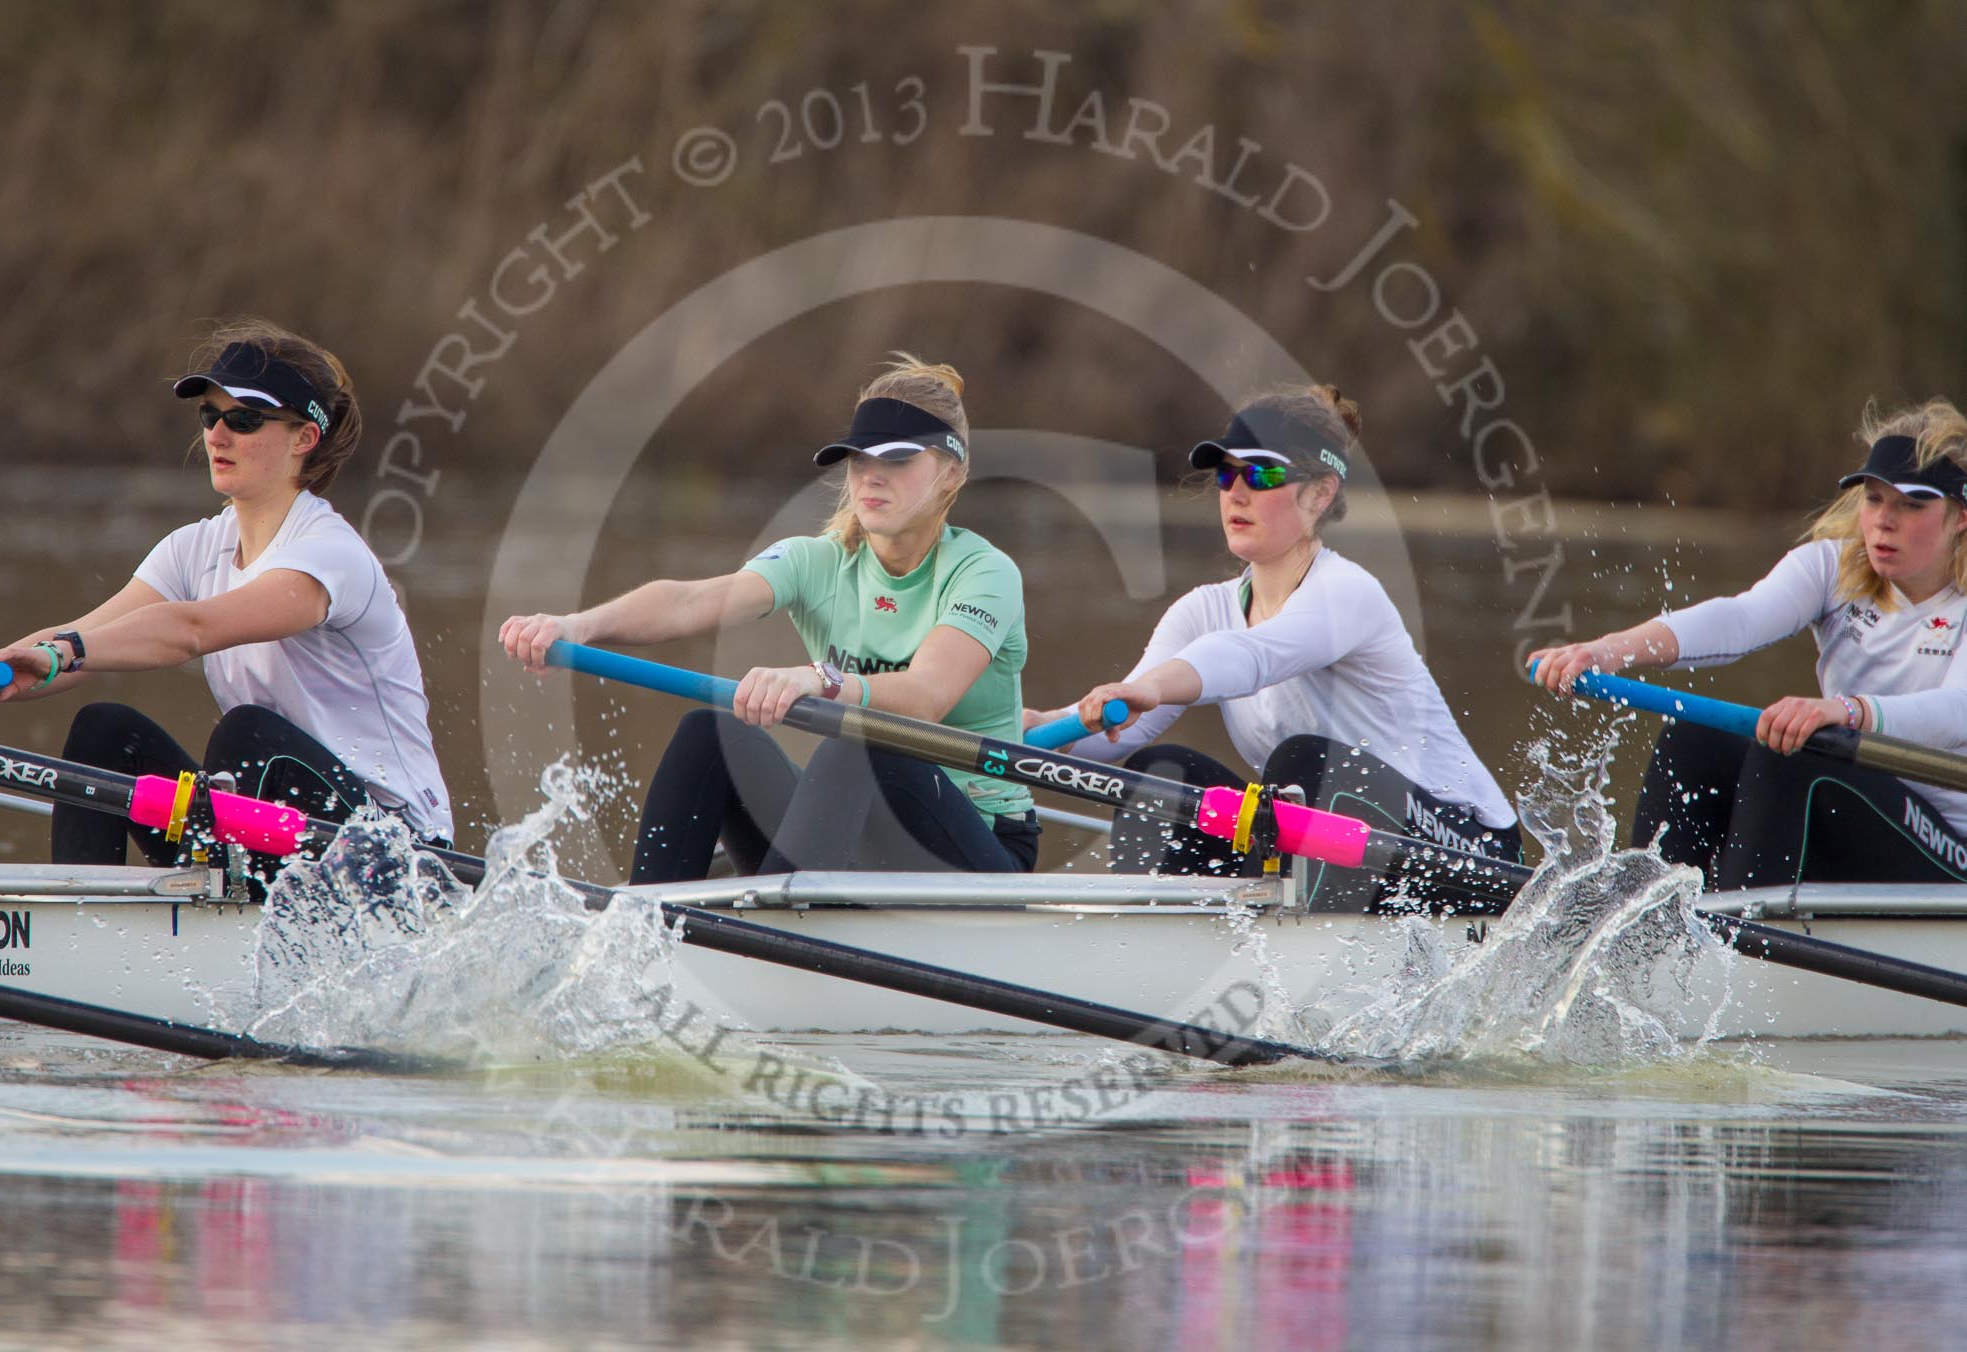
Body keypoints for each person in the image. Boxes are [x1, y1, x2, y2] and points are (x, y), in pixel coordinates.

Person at [499, 354, 1038, 882]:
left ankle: (775, 938)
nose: (872, 478)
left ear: (952, 471)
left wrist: (819, 679)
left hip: (980, 845)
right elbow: (691, 601)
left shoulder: (984, 572)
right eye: (859, 460)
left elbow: (927, 695)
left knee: (861, 747)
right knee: (711, 730)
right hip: (851, 833)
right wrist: (576, 627)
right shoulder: (817, 561)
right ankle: (647, 930)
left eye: (895, 460)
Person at [0, 320, 454, 882]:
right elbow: (74, 637)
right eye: (210, 416)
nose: (218, 435)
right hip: (278, 830)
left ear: (304, 438)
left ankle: (227, 911)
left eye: (244, 419)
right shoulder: (196, 548)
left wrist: (65, 651)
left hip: (397, 851)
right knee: (105, 731)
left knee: (248, 732)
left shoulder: (330, 554)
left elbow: (189, 630)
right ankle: (81, 923)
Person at [1049, 385, 1519, 910]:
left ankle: (1303, 947)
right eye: (1227, 473)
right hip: (1344, 848)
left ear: (1320, 494)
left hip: (1469, 855)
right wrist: (1010, 725)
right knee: (1159, 774)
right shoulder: (1201, 611)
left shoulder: (1347, 592)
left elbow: (1250, 658)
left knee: (1304, 763)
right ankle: (1153, 949)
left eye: (1262, 474)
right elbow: (1106, 732)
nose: (1236, 493)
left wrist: (1149, 688)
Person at [1530, 398, 1967, 890]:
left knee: (1791, 750)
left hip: (1948, 850)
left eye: (1912, 504)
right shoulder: (1830, 568)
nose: (1885, 521)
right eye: (1874, 498)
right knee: (1693, 737)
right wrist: (1609, 651)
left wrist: (1848, 713)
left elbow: (1956, 712)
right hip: (1849, 807)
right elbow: (1739, 618)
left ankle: (1743, 944)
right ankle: (1644, 926)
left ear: (1959, 517)